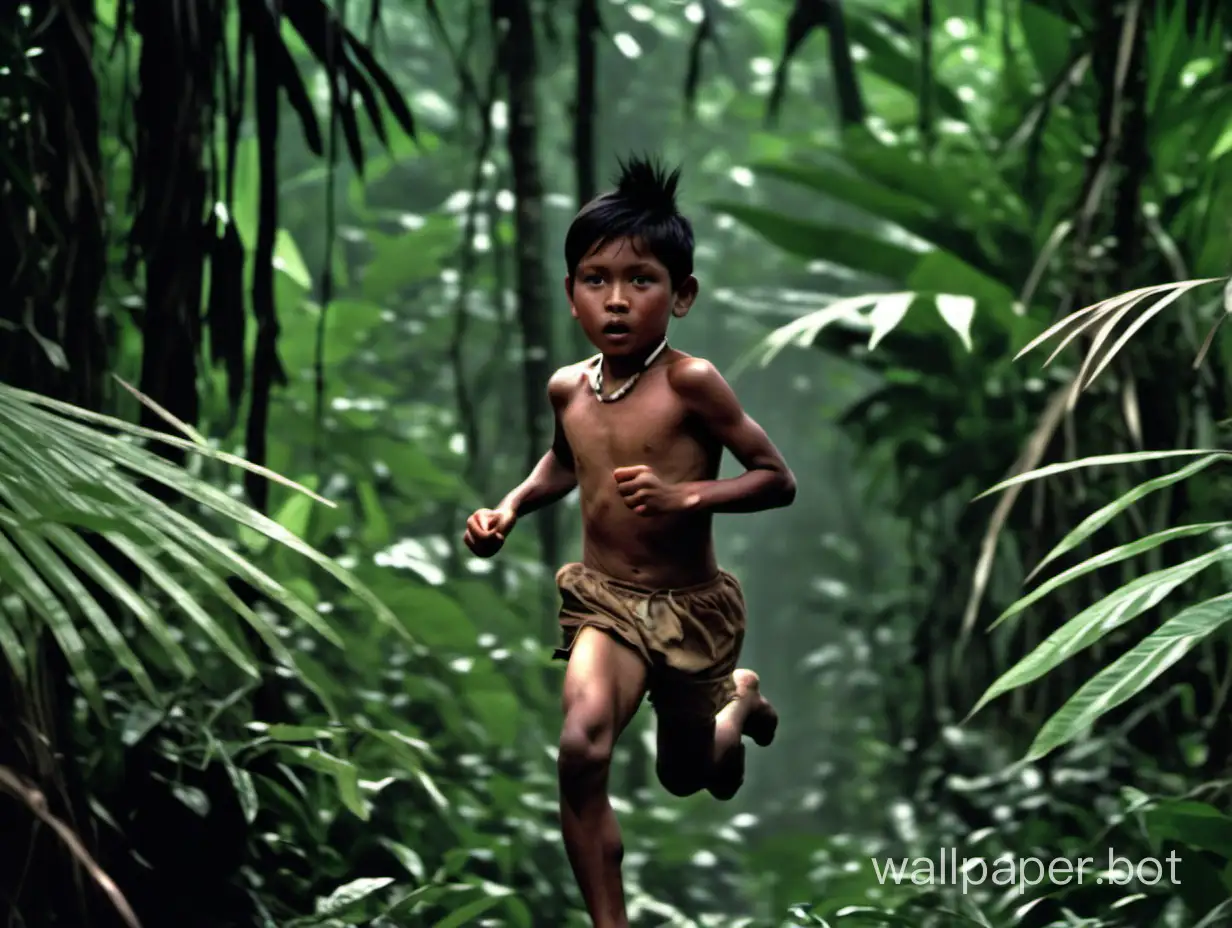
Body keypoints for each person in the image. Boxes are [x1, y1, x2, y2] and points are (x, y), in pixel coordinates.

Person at [462, 156, 796, 928]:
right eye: (595, 279)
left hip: (688, 611)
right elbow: (563, 461)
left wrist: (687, 495)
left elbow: (776, 478)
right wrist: (508, 508)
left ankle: (738, 704)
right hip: (607, 603)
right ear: (572, 295)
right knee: (580, 748)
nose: (616, 299)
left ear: (681, 296)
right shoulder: (568, 388)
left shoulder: (692, 383)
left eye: (641, 280)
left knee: (693, 776)